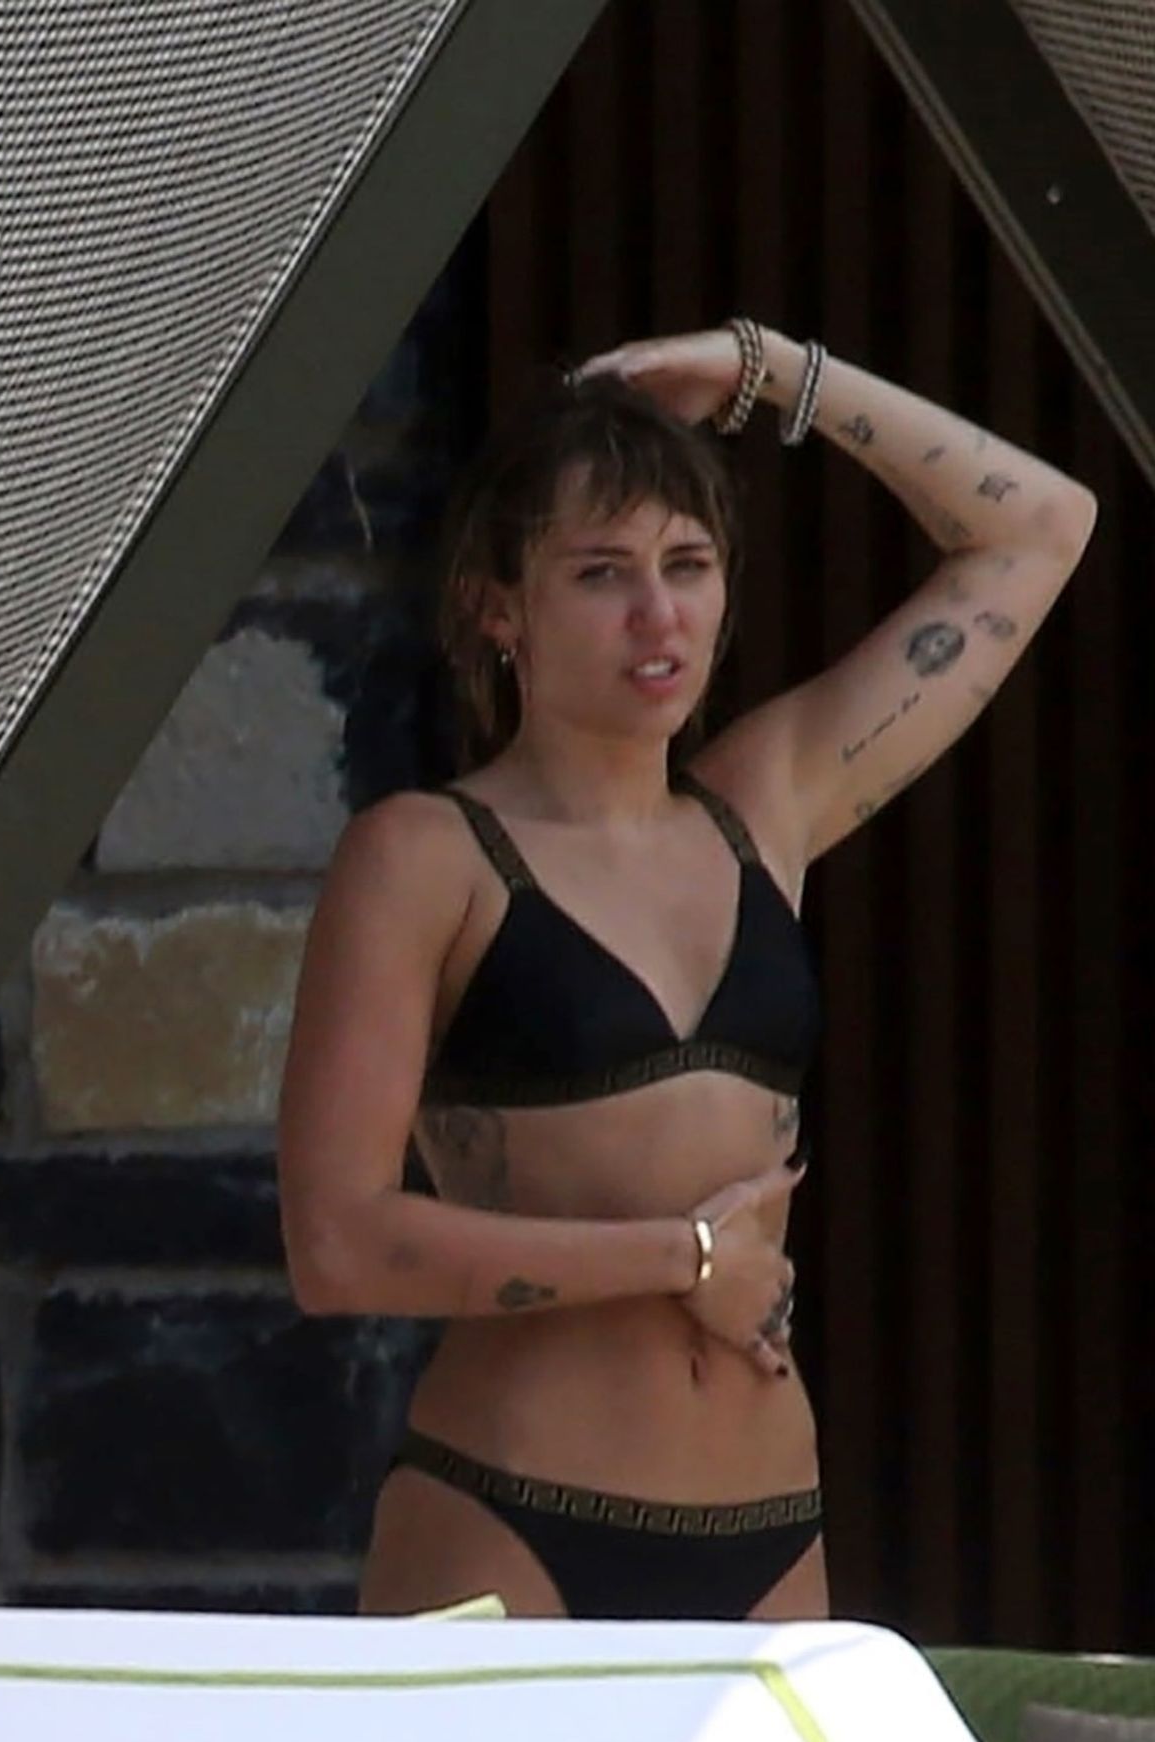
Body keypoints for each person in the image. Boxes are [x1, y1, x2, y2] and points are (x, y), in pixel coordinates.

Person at [277, 321, 1096, 1621]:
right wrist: (679, 1257)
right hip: (514, 1518)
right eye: (601, 573)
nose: (657, 616)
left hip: (768, 1528)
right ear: (498, 605)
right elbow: (337, 1246)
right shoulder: (425, 857)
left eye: (689, 565)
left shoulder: (764, 806)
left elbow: (1041, 529)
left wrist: (767, 369)